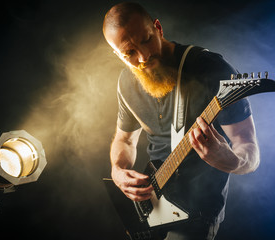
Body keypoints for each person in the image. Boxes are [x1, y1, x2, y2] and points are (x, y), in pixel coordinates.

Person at [103, 2, 260, 240]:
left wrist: (232, 161)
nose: (143, 56)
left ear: (158, 28)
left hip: (197, 211)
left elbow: (248, 146)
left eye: (146, 39)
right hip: (151, 205)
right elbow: (124, 140)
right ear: (117, 54)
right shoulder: (126, 82)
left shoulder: (210, 68)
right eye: (129, 53)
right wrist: (118, 170)